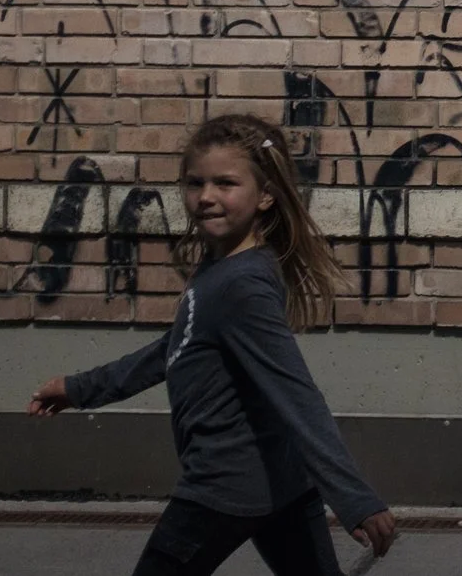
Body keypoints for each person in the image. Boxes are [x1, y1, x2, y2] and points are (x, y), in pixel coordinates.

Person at [28, 113, 396, 575]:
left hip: (224, 484)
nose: (205, 197)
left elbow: (297, 393)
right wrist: (81, 388)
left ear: (266, 195)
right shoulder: (223, 270)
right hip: (278, 481)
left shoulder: (242, 285)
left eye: (225, 183)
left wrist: (354, 497)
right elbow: (175, 348)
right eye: (194, 183)